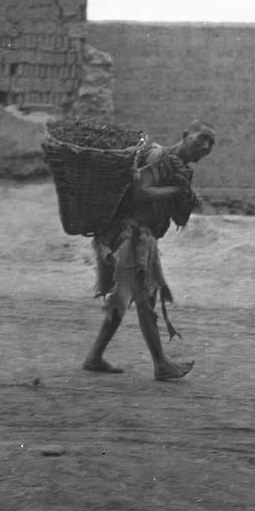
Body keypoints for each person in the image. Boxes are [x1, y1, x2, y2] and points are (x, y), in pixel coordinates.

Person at [83, 120, 216, 381]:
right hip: (128, 235)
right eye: (201, 138)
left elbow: (176, 212)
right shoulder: (159, 155)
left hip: (139, 237)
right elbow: (140, 189)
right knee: (145, 298)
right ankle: (161, 364)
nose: (206, 146)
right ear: (185, 135)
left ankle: (94, 357)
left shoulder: (180, 168)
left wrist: (186, 198)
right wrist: (177, 190)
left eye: (211, 143)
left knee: (127, 296)